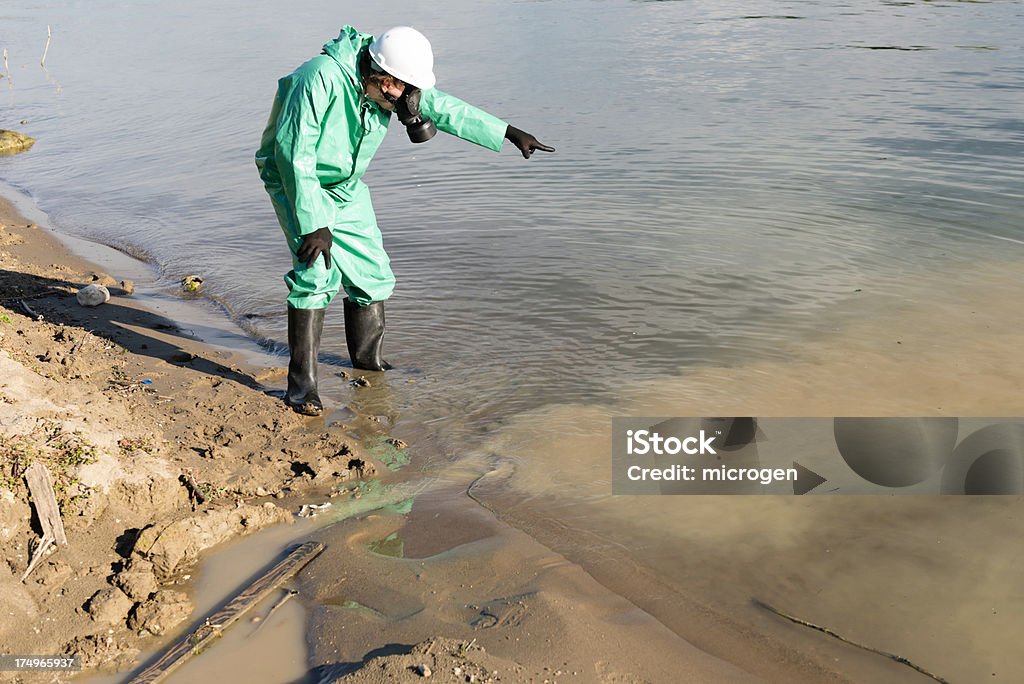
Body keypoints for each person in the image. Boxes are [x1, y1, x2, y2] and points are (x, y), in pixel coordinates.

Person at [256, 25, 553, 416]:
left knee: (373, 274)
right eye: (402, 91)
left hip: (345, 186)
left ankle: (368, 364)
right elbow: (294, 153)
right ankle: (302, 389)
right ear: (382, 79)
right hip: (297, 181)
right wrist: (313, 223)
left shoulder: (389, 85)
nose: (407, 102)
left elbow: (444, 108)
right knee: (316, 273)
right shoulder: (318, 78)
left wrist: (508, 133)